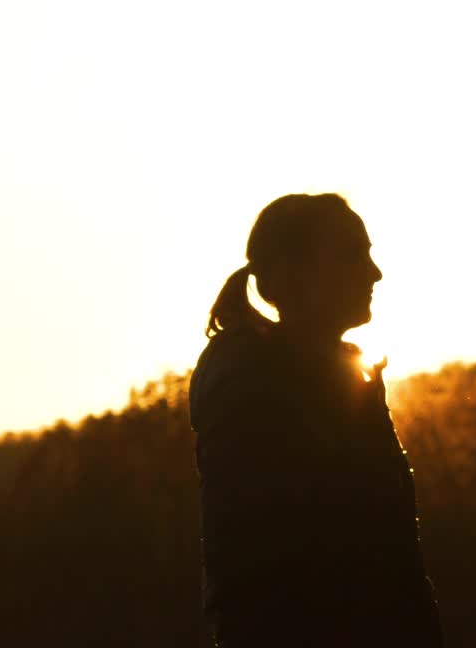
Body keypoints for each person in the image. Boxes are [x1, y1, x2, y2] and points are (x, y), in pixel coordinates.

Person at [189, 193, 443, 647]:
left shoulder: (332, 379)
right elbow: (275, 575)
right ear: (292, 275)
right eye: (351, 256)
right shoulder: (251, 392)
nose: (374, 273)